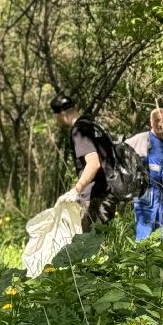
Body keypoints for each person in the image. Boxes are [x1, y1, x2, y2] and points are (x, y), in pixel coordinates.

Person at [49, 95, 116, 228]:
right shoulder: (93, 125)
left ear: (60, 115)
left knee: (89, 244)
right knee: (105, 241)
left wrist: (76, 190)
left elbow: (93, 163)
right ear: (75, 107)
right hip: (108, 192)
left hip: (95, 196)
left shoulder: (79, 131)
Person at [126, 108, 163, 240]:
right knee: (145, 232)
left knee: (162, 230)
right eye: (157, 120)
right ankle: (143, 259)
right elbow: (121, 152)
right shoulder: (141, 139)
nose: (160, 124)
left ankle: (160, 259)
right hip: (146, 193)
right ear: (151, 122)